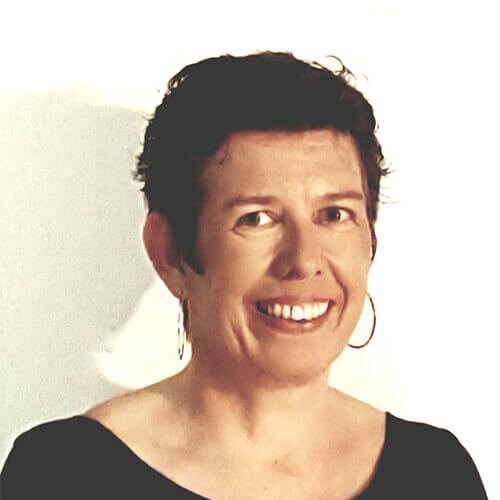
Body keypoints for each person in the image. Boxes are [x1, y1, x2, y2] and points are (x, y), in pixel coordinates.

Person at [0, 52, 488, 499]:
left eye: (335, 215)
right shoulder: (62, 475)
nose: (304, 260)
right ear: (170, 253)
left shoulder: (435, 474)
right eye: (256, 218)